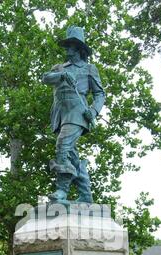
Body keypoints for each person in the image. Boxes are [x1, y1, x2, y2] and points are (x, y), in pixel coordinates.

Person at [42, 26, 105, 204]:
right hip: (60, 113)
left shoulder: (89, 69)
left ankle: (62, 191)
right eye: (67, 46)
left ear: (79, 50)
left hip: (78, 113)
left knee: (63, 145)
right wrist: (62, 75)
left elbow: (100, 94)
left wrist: (92, 112)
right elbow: (45, 78)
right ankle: (86, 195)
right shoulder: (59, 68)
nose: (67, 50)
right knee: (71, 155)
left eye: (70, 46)